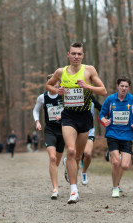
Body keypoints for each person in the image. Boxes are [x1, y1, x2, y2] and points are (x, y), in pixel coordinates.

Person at [46, 42, 107, 204]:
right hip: (68, 116)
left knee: (78, 156)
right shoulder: (61, 72)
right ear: (68, 55)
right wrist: (55, 91)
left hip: (85, 117)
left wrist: (87, 86)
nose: (76, 56)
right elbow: (48, 84)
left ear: (83, 55)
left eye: (79, 54)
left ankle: (70, 167)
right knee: (71, 151)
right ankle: (74, 190)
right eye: (73, 53)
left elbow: (103, 90)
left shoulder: (89, 70)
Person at [99, 76, 133, 198]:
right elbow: (101, 114)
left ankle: (117, 183)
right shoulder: (110, 100)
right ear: (117, 86)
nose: (123, 88)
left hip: (127, 135)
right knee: (115, 163)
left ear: (129, 88)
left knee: (124, 165)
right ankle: (115, 188)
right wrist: (104, 121)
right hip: (112, 133)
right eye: (121, 86)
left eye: (126, 86)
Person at [33, 74, 65, 200]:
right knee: (52, 158)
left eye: (56, 82)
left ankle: (65, 163)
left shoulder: (63, 95)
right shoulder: (42, 97)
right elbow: (35, 110)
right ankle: (55, 189)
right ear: (47, 84)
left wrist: (63, 116)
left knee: (56, 162)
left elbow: (70, 110)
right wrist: (37, 121)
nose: (54, 84)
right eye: (51, 82)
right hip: (50, 130)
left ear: (59, 83)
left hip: (63, 130)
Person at [80, 95, 102, 185]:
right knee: (74, 154)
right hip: (75, 130)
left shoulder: (91, 98)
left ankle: (84, 172)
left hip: (89, 130)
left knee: (88, 153)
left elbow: (101, 108)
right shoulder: (72, 96)